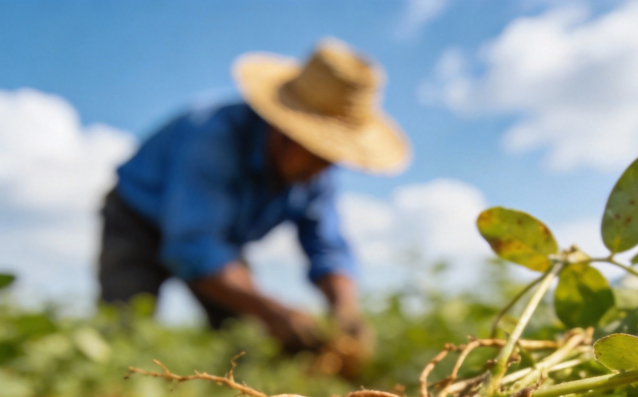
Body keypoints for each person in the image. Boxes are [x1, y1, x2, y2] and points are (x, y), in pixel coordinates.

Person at [98, 38, 410, 357]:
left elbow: (326, 245)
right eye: (318, 154)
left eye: (331, 159)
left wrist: (345, 309)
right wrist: (276, 312)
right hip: (136, 221)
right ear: (284, 132)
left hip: (218, 240)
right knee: (123, 334)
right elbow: (193, 249)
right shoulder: (211, 140)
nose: (322, 169)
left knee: (246, 347)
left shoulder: (316, 173)